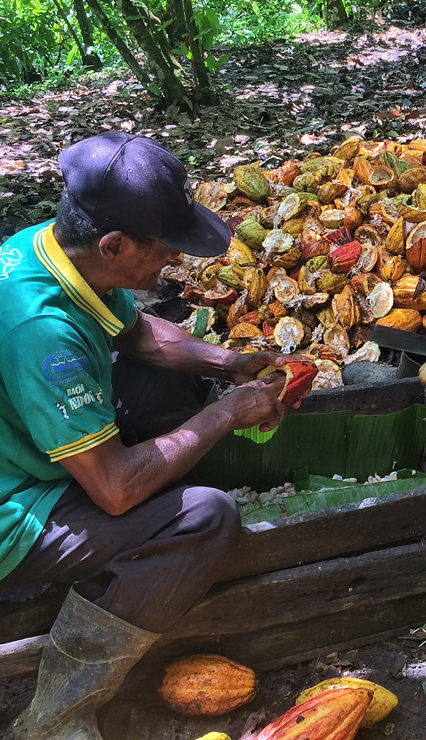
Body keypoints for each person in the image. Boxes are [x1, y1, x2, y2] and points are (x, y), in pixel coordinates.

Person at [0, 131, 289, 739]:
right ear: (114, 243)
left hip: (32, 448)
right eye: (163, 249)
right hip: (13, 508)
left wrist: (228, 364)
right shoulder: (42, 332)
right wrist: (223, 416)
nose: (172, 262)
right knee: (207, 517)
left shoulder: (47, 249)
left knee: (170, 385)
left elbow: (142, 338)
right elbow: (114, 491)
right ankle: (57, 717)